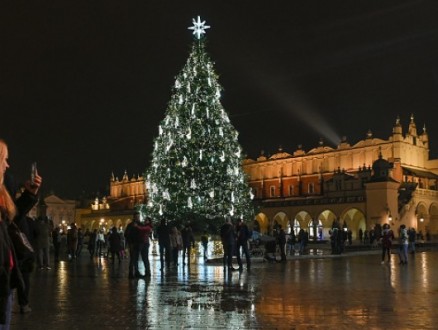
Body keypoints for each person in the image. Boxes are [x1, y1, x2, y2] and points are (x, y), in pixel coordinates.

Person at [0, 139, 41, 325]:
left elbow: (11, 219)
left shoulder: (2, 195)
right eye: (4, 159)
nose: (7, 165)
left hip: (5, 282)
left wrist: (30, 195)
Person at [125, 211, 141, 278]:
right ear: (134, 217)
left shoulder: (140, 224)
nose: (138, 218)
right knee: (132, 259)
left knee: (136, 258)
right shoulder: (130, 225)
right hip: (132, 244)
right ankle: (131, 273)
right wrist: (130, 242)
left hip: (138, 244)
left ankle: (137, 272)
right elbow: (126, 234)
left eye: (138, 216)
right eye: (137, 217)